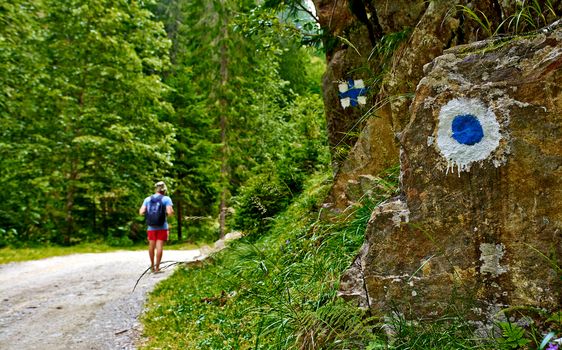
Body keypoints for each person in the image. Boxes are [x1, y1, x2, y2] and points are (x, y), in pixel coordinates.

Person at [139, 181, 174, 273]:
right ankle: (157, 268)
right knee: (159, 246)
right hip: (162, 226)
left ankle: (152, 266)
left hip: (151, 227)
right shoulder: (166, 199)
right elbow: (170, 212)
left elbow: (141, 212)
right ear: (164, 190)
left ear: (156, 189)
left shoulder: (147, 199)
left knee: (151, 246)